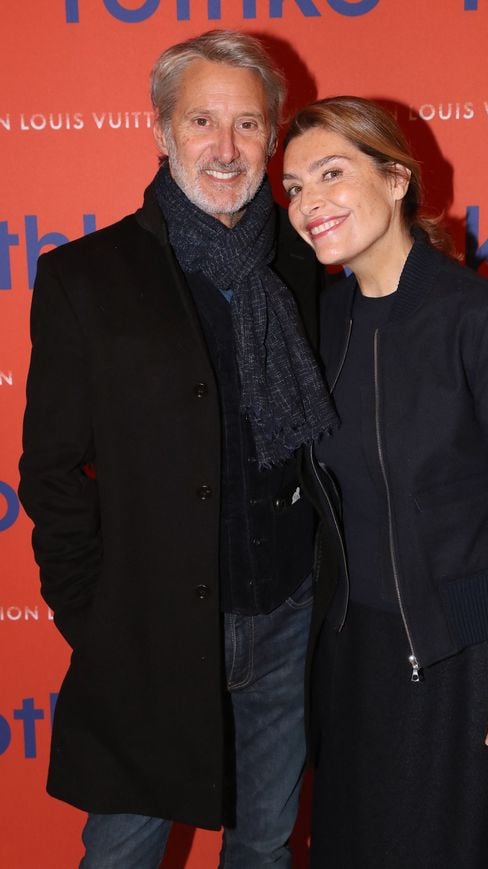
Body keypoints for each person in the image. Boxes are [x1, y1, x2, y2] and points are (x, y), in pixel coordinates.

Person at [19, 31, 336, 869]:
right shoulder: (85, 279)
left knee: (265, 845)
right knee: (123, 851)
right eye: (202, 120)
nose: (225, 149)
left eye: (247, 125)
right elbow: (50, 473)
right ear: (161, 129)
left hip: (286, 614)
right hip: (149, 632)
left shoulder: (303, 264)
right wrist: (93, 613)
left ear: (273, 138)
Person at [282, 96, 488, 868]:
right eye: (293, 188)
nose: (309, 202)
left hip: (473, 655)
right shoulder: (321, 322)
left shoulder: (485, 321)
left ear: (395, 179)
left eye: (330, 174)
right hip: (358, 661)